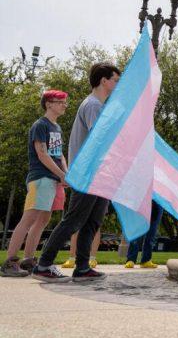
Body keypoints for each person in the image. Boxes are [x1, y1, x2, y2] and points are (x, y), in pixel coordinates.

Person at [32, 62, 120, 283]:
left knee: (92, 222)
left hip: (99, 175)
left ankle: (82, 268)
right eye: (116, 80)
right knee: (73, 221)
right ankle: (43, 264)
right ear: (104, 81)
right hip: (88, 174)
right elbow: (100, 138)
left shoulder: (99, 105)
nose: (118, 84)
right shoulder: (93, 105)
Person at [2, 91, 70, 277]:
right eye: (61, 102)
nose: (65, 105)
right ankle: (9, 262)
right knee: (29, 219)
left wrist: (65, 174)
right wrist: (61, 174)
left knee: (43, 220)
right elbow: (42, 154)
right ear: (49, 104)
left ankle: (28, 260)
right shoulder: (40, 125)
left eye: (65, 102)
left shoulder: (57, 127)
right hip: (41, 179)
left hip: (55, 180)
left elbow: (59, 154)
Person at [123, 201, 163, 269]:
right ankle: (131, 259)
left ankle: (146, 260)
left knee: (151, 233)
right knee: (137, 232)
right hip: (143, 200)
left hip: (158, 201)